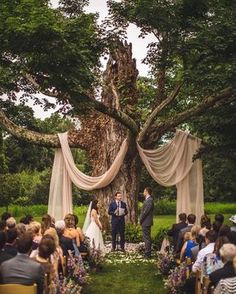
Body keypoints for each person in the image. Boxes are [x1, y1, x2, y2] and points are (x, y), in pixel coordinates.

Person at [140, 187, 154, 258]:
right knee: (147, 237)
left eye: (144, 191)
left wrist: (141, 219)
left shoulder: (149, 200)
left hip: (146, 222)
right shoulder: (148, 200)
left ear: (147, 192)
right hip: (146, 221)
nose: (143, 192)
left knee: (147, 238)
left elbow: (145, 212)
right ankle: (147, 252)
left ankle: (147, 253)